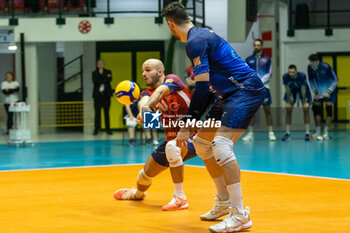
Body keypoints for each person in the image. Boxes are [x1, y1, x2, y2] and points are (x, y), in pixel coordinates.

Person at [163, 3, 266, 232]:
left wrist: (186, 124)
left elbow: (200, 88)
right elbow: (208, 87)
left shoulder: (195, 41)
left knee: (221, 144)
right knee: (201, 144)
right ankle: (224, 201)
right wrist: (194, 124)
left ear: (171, 25)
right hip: (225, 96)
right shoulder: (201, 35)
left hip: (244, 91)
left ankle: (239, 215)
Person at [114, 59, 197, 211]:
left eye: (147, 70)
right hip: (171, 138)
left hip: (193, 136)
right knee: (143, 175)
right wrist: (141, 112)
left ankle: (180, 197)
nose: (143, 74)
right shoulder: (148, 93)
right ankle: (137, 194)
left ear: (160, 71)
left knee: (173, 147)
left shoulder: (173, 80)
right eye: (142, 71)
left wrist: (146, 107)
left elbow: (159, 93)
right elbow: (145, 100)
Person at [242, 39, 276, 141]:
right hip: (252, 90)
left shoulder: (267, 59)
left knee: (267, 110)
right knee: (251, 112)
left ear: (262, 46)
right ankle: (250, 134)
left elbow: (269, 73)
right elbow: (245, 73)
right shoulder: (248, 59)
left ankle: (271, 133)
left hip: (264, 88)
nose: (256, 47)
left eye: (258, 45)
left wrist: (260, 82)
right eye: (255, 45)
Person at [308, 54, 338, 141]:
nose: (311, 64)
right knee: (316, 110)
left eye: (313, 62)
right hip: (318, 92)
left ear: (317, 61)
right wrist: (315, 92)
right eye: (310, 62)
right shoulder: (309, 67)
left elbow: (335, 79)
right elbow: (311, 80)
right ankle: (318, 131)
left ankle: (326, 132)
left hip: (329, 91)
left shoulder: (326, 66)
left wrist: (329, 91)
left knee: (328, 110)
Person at [281, 65, 312, 141]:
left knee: (306, 109)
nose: (291, 74)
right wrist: (288, 102)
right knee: (288, 109)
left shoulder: (302, 76)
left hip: (303, 91)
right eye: (289, 72)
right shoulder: (285, 76)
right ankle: (287, 133)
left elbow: (303, 89)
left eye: (293, 72)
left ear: (296, 71)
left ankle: (307, 132)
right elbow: (287, 89)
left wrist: (304, 102)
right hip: (292, 91)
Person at [92, 59, 113, 135]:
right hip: (97, 96)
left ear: (104, 64)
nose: (100, 64)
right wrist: (105, 79)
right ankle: (96, 129)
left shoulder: (108, 71)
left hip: (106, 95)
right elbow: (95, 82)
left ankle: (108, 129)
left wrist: (103, 79)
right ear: (97, 64)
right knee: (97, 113)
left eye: (102, 63)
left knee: (106, 113)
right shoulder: (94, 73)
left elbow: (110, 80)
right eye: (99, 63)